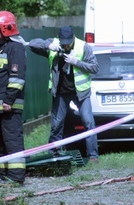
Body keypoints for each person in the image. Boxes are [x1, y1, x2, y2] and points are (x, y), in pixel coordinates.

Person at [28, 26, 100, 163]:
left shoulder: (83, 47)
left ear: (73, 38)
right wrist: (49, 45)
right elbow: (32, 44)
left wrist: (76, 62)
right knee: (56, 124)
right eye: (64, 42)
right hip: (61, 92)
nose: (66, 45)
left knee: (88, 122)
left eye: (68, 42)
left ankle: (93, 156)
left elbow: (95, 67)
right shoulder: (54, 44)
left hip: (81, 92)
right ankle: (53, 154)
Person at [0, 11, 27, 185]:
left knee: (12, 140)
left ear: (6, 28)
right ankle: (2, 175)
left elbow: (17, 78)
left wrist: (9, 100)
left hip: (8, 105)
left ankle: (16, 177)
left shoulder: (15, 48)